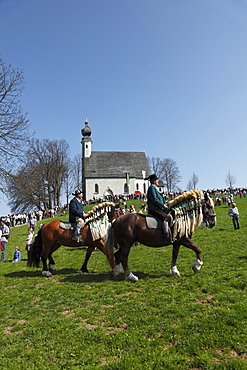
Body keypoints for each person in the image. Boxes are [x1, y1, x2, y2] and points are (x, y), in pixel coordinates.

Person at [146, 174, 172, 240]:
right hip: (154, 209)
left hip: (158, 207)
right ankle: (166, 234)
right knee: (165, 217)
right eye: (157, 180)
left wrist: (166, 204)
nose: (158, 181)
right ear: (154, 181)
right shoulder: (151, 188)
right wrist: (163, 205)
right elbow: (155, 199)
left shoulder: (155, 188)